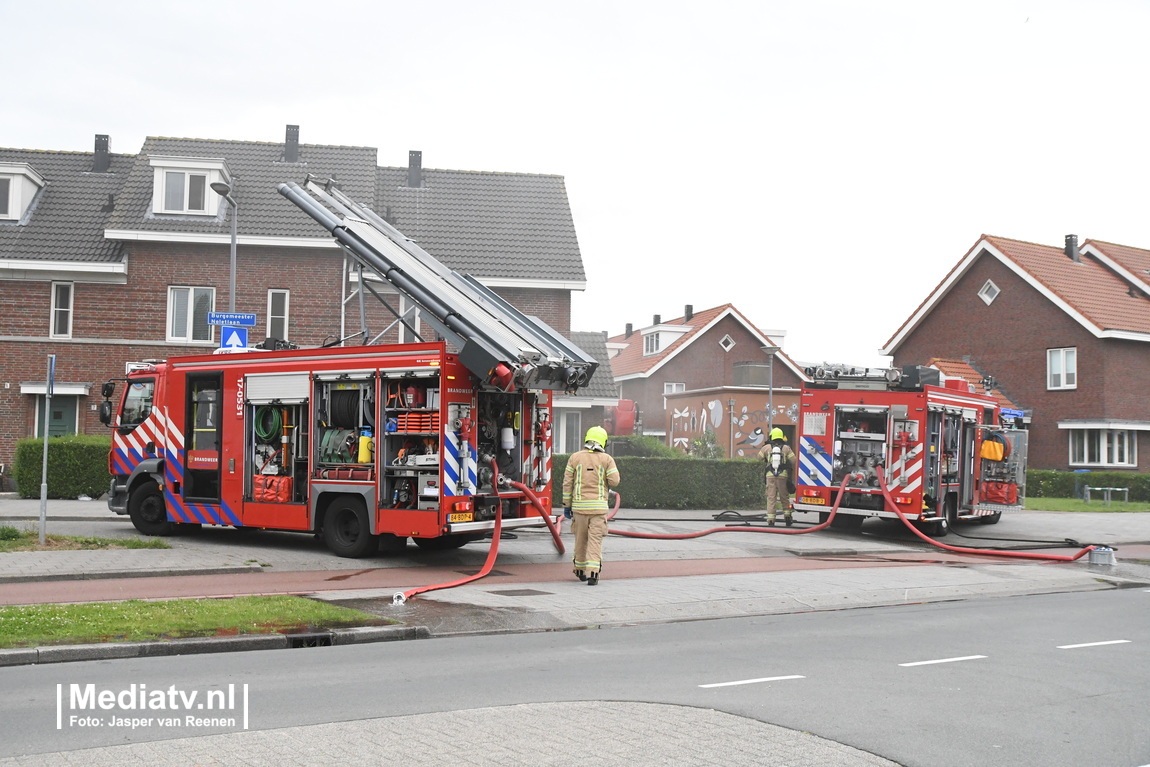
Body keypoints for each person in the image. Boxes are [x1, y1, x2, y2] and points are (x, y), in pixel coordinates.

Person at [562, 426, 620, 585]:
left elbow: (567, 483)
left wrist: (567, 505)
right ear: (604, 441)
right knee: (595, 541)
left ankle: (580, 570)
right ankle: (593, 573)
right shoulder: (607, 459)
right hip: (598, 510)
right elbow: (615, 481)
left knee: (580, 540)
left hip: (579, 508)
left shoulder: (574, 458)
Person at [758, 427, 796, 526]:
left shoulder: (766, 447)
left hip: (770, 476)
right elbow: (793, 460)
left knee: (771, 498)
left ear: (772, 436)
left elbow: (759, 458)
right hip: (783, 476)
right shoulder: (786, 448)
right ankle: (787, 517)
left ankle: (771, 520)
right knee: (784, 497)